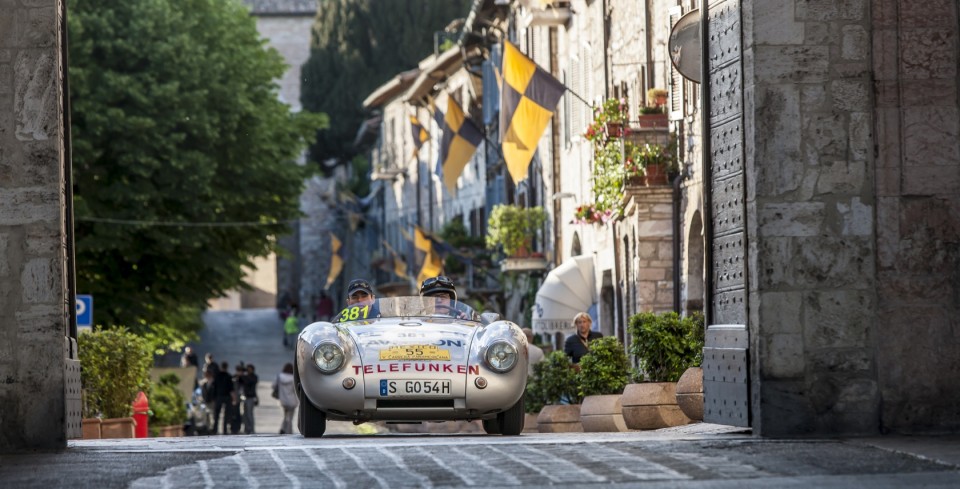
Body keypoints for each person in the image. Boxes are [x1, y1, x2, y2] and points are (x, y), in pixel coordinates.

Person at [210, 360, 236, 434]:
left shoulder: (216, 376)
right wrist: (234, 399)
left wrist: (213, 398)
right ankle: (224, 430)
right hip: (227, 397)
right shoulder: (229, 376)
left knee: (216, 414)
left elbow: (213, 387)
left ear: (221, 367)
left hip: (218, 397)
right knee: (226, 415)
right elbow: (231, 389)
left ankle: (215, 429)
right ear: (227, 367)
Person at [273, 363, 298, 434]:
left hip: (283, 400)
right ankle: (288, 430)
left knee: (286, 415)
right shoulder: (293, 378)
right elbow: (295, 389)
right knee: (290, 416)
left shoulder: (279, 376)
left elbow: (274, 386)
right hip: (292, 400)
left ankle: (283, 428)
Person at [237, 364, 258, 434]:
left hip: (250, 397)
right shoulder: (244, 376)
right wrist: (240, 374)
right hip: (244, 397)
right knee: (244, 414)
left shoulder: (254, 377)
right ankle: (246, 429)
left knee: (249, 414)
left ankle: (251, 429)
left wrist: (242, 375)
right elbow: (238, 381)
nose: (248, 370)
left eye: (249, 369)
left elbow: (249, 382)